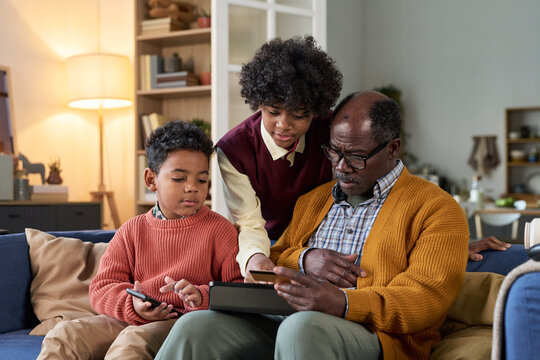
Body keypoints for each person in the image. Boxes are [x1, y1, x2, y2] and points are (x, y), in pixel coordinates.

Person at [156, 91, 470, 360]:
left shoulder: (438, 209)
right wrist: (307, 258)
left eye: (356, 157)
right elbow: (278, 254)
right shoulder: (314, 201)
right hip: (289, 318)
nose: (341, 167)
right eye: (334, 152)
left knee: (301, 327)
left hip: (377, 335)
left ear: (392, 148)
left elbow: (425, 298)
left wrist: (343, 302)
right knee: (196, 326)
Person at [37, 121, 242, 360]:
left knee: (131, 342)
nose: (192, 188)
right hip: (128, 317)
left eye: (201, 180)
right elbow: (102, 287)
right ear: (151, 179)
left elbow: (237, 290)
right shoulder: (131, 230)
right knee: (63, 335)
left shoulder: (221, 230)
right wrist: (131, 306)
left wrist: (200, 295)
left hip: (180, 323)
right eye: (179, 178)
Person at [215, 35, 342, 278]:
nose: (283, 125)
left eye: (299, 115)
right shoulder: (234, 150)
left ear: (315, 112)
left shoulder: (330, 128)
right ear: (259, 103)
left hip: (325, 241)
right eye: (273, 112)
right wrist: (256, 258)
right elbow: (250, 224)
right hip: (269, 244)